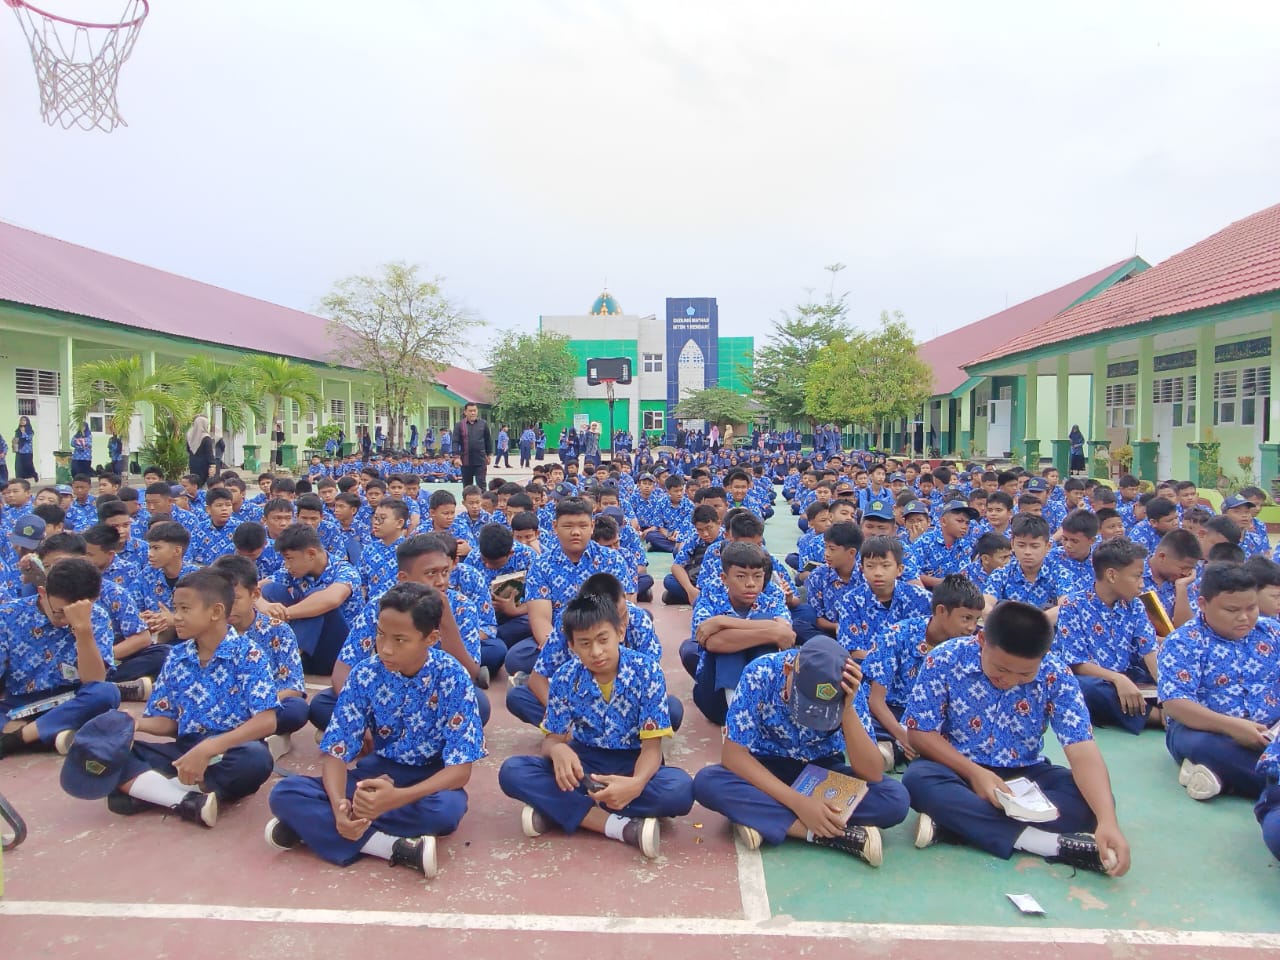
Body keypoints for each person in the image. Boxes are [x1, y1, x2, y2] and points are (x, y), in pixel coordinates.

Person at [267, 584, 483, 876]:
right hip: (376, 773)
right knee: (285, 792)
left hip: (429, 778)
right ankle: (389, 846)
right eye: (381, 634)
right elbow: (337, 752)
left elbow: (460, 771)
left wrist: (396, 798)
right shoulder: (365, 673)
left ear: (431, 639)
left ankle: (313, 826)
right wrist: (339, 806)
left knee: (445, 811)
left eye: (400, 639)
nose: (386, 648)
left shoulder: (452, 676)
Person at [902, 601, 1131, 876]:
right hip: (958, 769)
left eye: (1025, 674)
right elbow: (919, 732)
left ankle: (955, 825)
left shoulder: (1056, 674)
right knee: (917, 780)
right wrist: (975, 773)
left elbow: (1082, 749)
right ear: (982, 640)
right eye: (1001, 669)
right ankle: (1044, 843)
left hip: (1024, 774)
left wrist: (1108, 822)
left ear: (1043, 656)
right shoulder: (945, 659)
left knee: (1093, 803)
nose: (1009, 680)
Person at [498, 587, 693, 859]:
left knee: (681, 790)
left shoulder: (647, 671)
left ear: (620, 633)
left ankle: (561, 810)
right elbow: (552, 740)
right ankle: (619, 826)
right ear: (571, 646)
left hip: (632, 760)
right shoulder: (565, 677)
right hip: (584, 762)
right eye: (585, 643)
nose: (596, 651)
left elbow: (652, 749)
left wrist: (636, 784)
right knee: (512, 771)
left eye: (603, 639)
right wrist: (558, 749)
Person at [693, 635, 909, 866]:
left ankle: (765, 819)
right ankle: (830, 834)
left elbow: (872, 773)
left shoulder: (848, 684)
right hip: (766, 767)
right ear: (788, 670)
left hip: (822, 773)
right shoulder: (760, 673)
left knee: (894, 799)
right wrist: (800, 804)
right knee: (707, 782)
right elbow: (733, 756)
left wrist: (847, 709)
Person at [86, 569, 277, 827]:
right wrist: (136, 723)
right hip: (184, 751)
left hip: (229, 751)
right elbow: (169, 721)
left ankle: (152, 791)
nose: (176, 617)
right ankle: (187, 800)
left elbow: (266, 721)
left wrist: (208, 749)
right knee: (114, 752)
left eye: (185, 609)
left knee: (255, 759)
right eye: (176, 608)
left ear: (216, 611)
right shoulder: (177, 657)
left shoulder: (248, 654)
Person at [1157, 562, 1280, 801]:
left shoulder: (1273, 632)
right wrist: (1232, 727)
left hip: (1270, 730)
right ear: (1203, 604)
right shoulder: (1184, 641)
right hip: (1205, 730)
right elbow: (1175, 704)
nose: (1244, 617)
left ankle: (1219, 778)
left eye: (1251, 607)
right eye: (1232, 610)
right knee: (1206, 746)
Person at [0, 558, 120, 757]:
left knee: (106, 693)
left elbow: (94, 681)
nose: (65, 620)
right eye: (59, 613)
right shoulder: (7, 615)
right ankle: (56, 735)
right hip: (20, 704)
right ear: (42, 593)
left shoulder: (96, 617)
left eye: (72, 614)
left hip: (72, 701)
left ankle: (17, 738)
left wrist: (83, 629)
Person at [1056, 537, 1161, 734]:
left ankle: (1168, 708)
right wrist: (1117, 679)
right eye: (1137, 577)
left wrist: (1167, 689)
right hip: (1096, 679)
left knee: (1166, 673)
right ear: (1111, 575)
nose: (1141, 585)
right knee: (1083, 688)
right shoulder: (1073, 605)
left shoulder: (1135, 605)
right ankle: (1159, 717)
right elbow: (1077, 664)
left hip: (1128, 675)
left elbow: (1149, 650)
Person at [451, 403, 492, 489]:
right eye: (470, 411)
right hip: (465, 460)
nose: (473, 413)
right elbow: (455, 442)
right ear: (465, 412)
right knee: (467, 486)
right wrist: (456, 457)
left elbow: (488, 440)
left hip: (480, 459)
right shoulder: (459, 425)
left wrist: (489, 455)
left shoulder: (483, 424)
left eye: (474, 411)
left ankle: (482, 498)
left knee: (481, 484)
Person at [185, 415, 216, 480]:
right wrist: (213, 465)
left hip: (193, 462)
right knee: (203, 482)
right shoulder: (206, 438)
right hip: (204, 464)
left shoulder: (190, 436)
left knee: (194, 481)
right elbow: (209, 454)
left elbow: (188, 449)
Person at [14, 416, 36, 481]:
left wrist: (23, 432)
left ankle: (34, 475)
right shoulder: (18, 430)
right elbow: (16, 439)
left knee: (28, 466)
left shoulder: (30, 430)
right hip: (19, 451)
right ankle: (19, 479)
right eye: (21, 420)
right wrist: (14, 444)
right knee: (18, 466)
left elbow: (28, 438)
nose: (22, 421)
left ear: (27, 421)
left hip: (27, 452)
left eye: (24, 420)